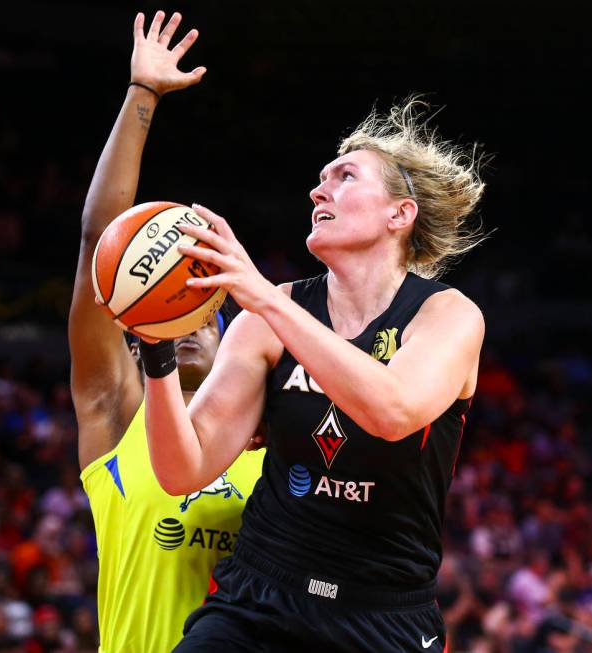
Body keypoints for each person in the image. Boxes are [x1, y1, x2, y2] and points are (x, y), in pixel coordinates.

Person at [135, 10, 486, 652]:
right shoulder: (267, 320)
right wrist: (156, 350)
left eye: (343, 176)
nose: (317, 189)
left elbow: (393, 410)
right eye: (321, 178)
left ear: (398, 215)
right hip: (259, 599)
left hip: (383, 615)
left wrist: (264, 299)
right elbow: (182, 469)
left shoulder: (447, 315)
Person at [68, 11, 264, 653]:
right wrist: (142, 93)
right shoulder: (117, 416)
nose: (188, 327)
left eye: (203, 313)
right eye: (170, 317)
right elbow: (102, 242)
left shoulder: (274, 448)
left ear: (230, 336)